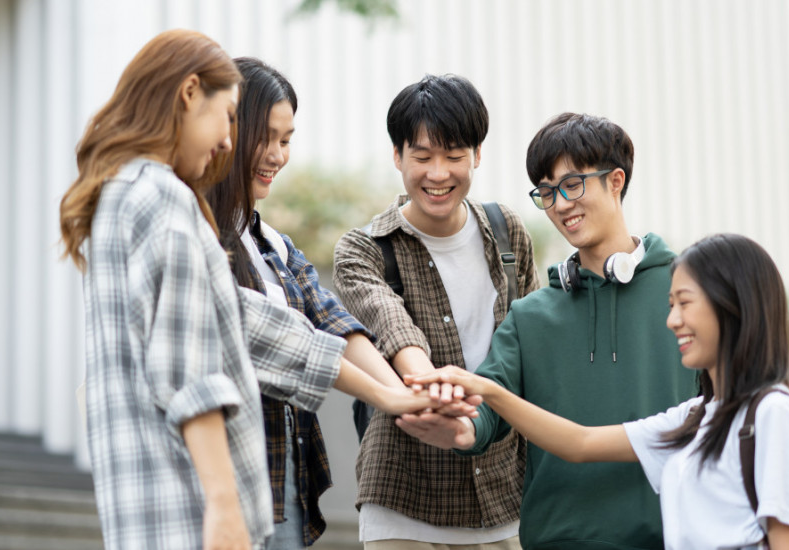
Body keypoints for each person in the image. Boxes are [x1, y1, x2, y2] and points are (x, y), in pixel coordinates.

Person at [59, 31, 437, 550]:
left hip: (154, 507)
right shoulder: (164, 201)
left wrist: (394, 393)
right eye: (228, 116)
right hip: (193, 505)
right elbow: (192, 375)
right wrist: (223, 504)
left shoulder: (128, 198)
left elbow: (261, 324)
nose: (226, 141)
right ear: (190, 93)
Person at [396, 112, 699, 549]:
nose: (560, 204)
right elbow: (488, 400)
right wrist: (462, 429)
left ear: (616, 181)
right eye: (547, 191)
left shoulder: (688, 294)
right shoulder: (529, 317)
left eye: (572, 184)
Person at [405, 233, 789, 550]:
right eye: (670, 304)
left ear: (734, 304)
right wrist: (487, 391)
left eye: (684, 303)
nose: (672, 320)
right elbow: (579, 442)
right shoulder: (696, 417)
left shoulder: (773, 415)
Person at [205, 57, 430, 549]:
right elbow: (270, 338)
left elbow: (336, 325)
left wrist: (410, 397)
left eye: (286, 140)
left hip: (285, 481)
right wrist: (393, 398)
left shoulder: (275, 247)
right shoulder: (196, 236)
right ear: (226, 132)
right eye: (266, 137)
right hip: (219, 476)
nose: (277, 155)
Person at [332, 74, 539, 548]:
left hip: (505, 495)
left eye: (454, 156)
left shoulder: (508, 233)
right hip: (404, 497)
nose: (439, 173)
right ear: (397, 156)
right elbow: (393, 326)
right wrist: (435, 389)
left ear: (477, 155)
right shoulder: (364, 249)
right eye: (423, 157)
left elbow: (529, 344)